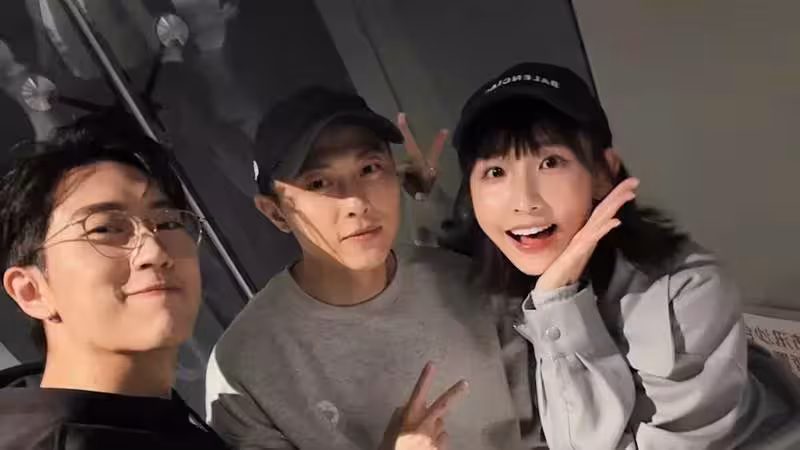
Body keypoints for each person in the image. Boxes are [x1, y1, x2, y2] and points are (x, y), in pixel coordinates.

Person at [450, 62, 799, 449]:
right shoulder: (489, 287)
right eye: (495, 172)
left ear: (603, 173)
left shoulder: (684, 293)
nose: (524, 201)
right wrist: (414, 190)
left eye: (550, 162)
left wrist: (557, 305)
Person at [205, 87, 528, 450]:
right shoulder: (244, 366)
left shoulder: (467, 281)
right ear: (276, 212)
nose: (356, 201)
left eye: (369, 169)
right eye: (319, 183)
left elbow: (548, 428)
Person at [0, 113, 228, 450]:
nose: (154, 251)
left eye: (167, 222)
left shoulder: (142, 413)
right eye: (105, 229)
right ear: (31, 291)